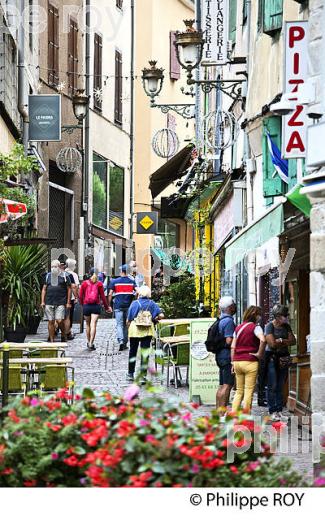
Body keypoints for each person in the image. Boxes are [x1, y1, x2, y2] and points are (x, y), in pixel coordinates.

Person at [231, 306, 266, 413]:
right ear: (255, 315)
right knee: (248, 391)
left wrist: (232, 363)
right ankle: (245, 418)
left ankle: (233, 417)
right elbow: (263, 340)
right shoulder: (256, 327)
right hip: (250, 361)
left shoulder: (237, 328)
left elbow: (233, 347)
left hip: (237, 362)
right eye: (259, 315)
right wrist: (259, 354)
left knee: (239, 391)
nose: (260, 317)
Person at [265, 304, 297, 421]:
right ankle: (272, 410)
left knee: (280, 385)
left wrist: (281, 340)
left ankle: (279, 410)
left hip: (284, 358)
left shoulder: (287, 326)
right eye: (285, 315)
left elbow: (293, 341)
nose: (287, 317)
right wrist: (284, 342)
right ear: (278, 316)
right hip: (272, 359)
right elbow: (271, 344)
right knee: (272, 385)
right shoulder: (269, 326)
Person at [126, 285, 164, 383]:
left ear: (140, 293)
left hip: (135, 330)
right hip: (147, 331)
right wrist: (155, 318)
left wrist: (129, 328)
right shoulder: (151, 303)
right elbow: (161, 315)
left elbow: (129, 319)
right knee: (145, 354)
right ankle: (143, 376)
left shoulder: (134, 303)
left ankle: (130, 374)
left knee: (132, 352)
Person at [108, 264, 137, 351]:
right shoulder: (132, 282)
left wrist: (109, 305)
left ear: (121, 271)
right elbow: (137, 292)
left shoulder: (114, 281)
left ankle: (120, 341)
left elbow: (110, 294)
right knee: (127, 324)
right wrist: (134, 299)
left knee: (119, 324)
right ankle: (125, 343)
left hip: (118, 306)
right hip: (128, 306)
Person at [79, 268, 110, 351]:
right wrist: (107, 307)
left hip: (86, 306)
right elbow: (103, 297)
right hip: (96, 306)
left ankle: (88, 341)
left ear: (89, 273)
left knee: (87, 325)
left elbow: (80, 296)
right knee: (93, 325)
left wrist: (82, 304)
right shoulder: (99, 284)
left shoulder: (84, 283)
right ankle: (91, 343)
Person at [41, 260, 71, 342]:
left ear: (59, 267)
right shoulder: (48, 276)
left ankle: (63, 333)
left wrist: (68, 302)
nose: (53, 268)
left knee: (59, 320)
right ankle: (52, 340)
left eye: (55, 266)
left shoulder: (64, 276)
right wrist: (42, 301)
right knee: (51, 321)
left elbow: (69, 289)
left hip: (61, 302)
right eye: (52, 267)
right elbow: (44, 289)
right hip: (49, 301)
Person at [215, 296, 237, 411]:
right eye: (233, 305)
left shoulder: (221, 320)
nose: (235, 307)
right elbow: (229, 340)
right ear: (229, 308)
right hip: (227, 356)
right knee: (227, 385)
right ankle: (222, 413)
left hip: (220, 355)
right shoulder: (229, 321)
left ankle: (218, 411)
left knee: (222, 385)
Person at [65, 258, 80, 340]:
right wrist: (76, 297)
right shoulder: (74, 275)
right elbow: (76, 287)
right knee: (69, 316)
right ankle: (68, 332)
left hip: (62, 297)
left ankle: (57, 330)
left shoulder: (62, 273)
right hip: (70, 298)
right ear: (72, 266)